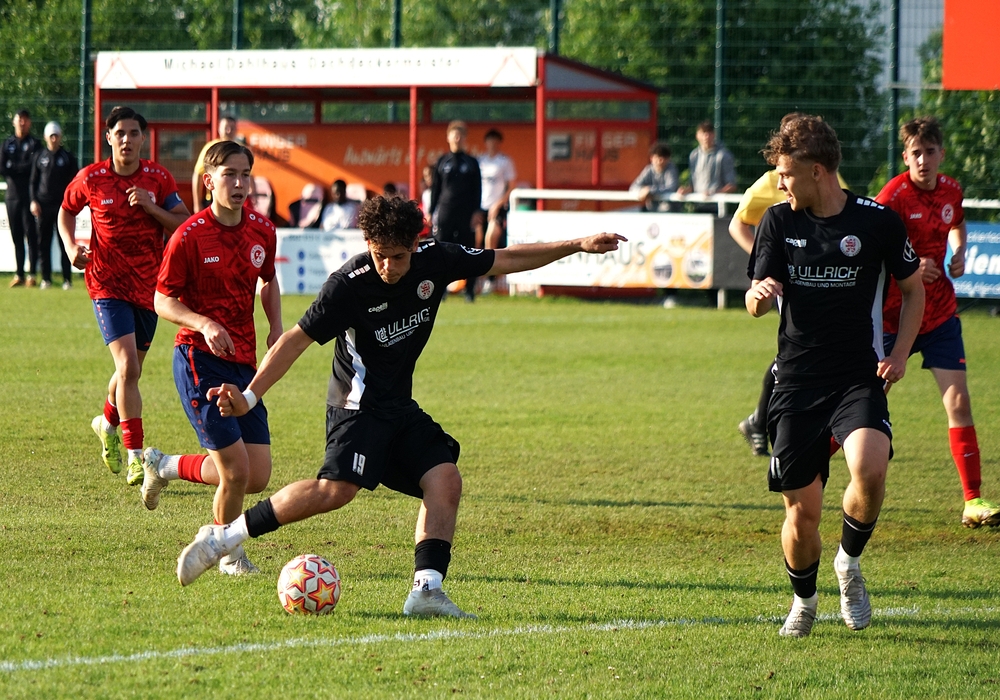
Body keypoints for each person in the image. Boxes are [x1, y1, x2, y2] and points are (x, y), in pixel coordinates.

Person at [174, 195, 625, 617]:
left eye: (398, 257)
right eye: (379, 255)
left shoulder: (437, 259)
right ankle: (223, 537)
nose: (388, 267)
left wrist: (577, 245)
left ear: (415, 245)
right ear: (367, 244)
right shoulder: (347, 286)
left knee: (444, 478)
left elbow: (505, 258)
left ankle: (426, 590)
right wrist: (250, 396)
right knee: (335, 491)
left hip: (398, 407)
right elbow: (294, 341)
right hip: (356, 408)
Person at [746, 113, 923, 637]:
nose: (780, 183)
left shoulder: (877, 222)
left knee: (870, 469)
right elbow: (756, 298)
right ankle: (804, 601)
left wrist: (900, 353)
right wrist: (758, 295)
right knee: (801, 515)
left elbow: (913, 290)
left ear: (817, 171)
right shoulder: (779, 222)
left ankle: (849, 562)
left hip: (856, 376)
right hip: (796, 383)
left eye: (786, 173)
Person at [141, 141, 282, 576]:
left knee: (257, 474)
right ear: (209, 181)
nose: (239, 184)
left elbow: (268, 280)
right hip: (198, 358)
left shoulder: (262, 230)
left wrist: (276, 325)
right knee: (235, 471)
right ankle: (229, 555)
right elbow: (162, 299)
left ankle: (165, 465)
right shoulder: (189, 235)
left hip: (244, 362)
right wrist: (203, 323)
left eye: (245, 175)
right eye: (229, 175)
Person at [875, 116, 1000, 529]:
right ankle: (807, 471)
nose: (923, 160)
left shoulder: (951, 190)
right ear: (905, 156)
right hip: (894, 317)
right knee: (866, 404)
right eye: (916, 153)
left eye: (930, 152)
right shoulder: (893, 196)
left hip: (940, 314)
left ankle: (973, 500)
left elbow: (958, 224)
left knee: (959, 402)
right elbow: (870, 251)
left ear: (941, 154)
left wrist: (959, 252)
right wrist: (910, 267)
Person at [59, 106, 191, 484]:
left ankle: (106, 422)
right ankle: (135, 455)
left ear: (142, 139)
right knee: (129, 367)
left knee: (129, 371)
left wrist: (151, 206)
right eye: (120, 133)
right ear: (109, 138)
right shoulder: (92, 177)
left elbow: (183, 222)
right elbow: (65, 211)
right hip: (106, 285)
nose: (127, 140)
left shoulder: (158, 179)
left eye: (134, 133)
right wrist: (71, 247)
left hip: (149, 289)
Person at [732, 166, 849, 457]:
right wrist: (766, 261)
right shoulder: (771, 182)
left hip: (824, 279)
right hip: (790, 283)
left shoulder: (827, 177)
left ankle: (760, 422)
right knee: (798, 350)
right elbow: (737, 224)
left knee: (809, 350)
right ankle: (768, 423)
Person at [430, 121, 482, 302]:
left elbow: (477, 189)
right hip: (446, 212)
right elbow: (435, 189)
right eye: (454, 135)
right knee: (441, 251)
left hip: (466, 214)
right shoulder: (441, 161)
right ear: (448, 137)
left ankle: (470, 290)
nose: (457, 139)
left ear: (465, 138)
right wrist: (430, 211)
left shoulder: (472, 162)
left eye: (461, 136)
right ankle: (441, 290)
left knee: (469, 251)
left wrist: (476, 211)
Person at [30, 121, 79, 290]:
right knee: (43, 244)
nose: (54, 139)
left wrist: (71, 203)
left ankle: (67, 280)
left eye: (56, 135)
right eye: (51, 136)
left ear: (60, 137)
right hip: (43, 206)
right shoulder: (39, 156)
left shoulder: (67, 157)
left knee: (65, 243)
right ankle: (46, 279)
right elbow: (33, 182)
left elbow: (76, 181)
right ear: (46, 137)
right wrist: (33, 201)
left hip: (62, 208)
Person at [1, 109, 42, 287]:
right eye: (19, 120)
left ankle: (32, 274)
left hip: (29, 196)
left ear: (29, 123)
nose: (22, 123)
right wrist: (21, 168)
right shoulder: (7, 144)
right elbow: (3, 167)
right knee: (16, 236)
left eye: (25, 120)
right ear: (14, 122)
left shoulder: (35, 144)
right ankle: (19, 274)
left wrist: (15, 167)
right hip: (12, 196)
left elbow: (34, 167)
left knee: (31, 235)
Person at [678, 121, 737, 213]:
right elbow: (693, 185)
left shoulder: (724, 155)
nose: (706, 136)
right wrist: (685, 190)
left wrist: (712, 194)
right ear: (697, 135)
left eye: (709, 133)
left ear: (714, 135)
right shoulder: (694, 155)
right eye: (703, 133)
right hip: (697, 206)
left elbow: (732, 186)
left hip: (717, 208)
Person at [477, 128, 517, 249]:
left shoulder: (505, 161)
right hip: (481, 206)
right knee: (477, 239)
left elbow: (511, 186)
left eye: (495, 142)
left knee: (491, 237)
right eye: (490, 141)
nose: (493, 145)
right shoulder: (480, 161)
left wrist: (498, 205)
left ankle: (491, 260)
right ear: (486, 143)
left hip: (497, 207)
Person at [191, 116, 239, 210]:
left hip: (235, 199)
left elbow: (250, 175)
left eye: (232, 128)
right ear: (219, 129)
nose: (229, 131)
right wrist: (197, 204)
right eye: (226, 128)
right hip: (214, 199)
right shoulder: (211, 148)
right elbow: (198, 174)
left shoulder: (240, 150)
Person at [629, 142, 679, 212]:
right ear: (651, 158)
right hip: (652, 210)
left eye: (663, 158)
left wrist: (651, 191)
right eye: (657, 158)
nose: (660, 161)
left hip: (670, 211)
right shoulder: (648, 170)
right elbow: (634, 187)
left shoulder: (671, 169)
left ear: (668, 159)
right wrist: (642, 191)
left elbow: (671, 188)